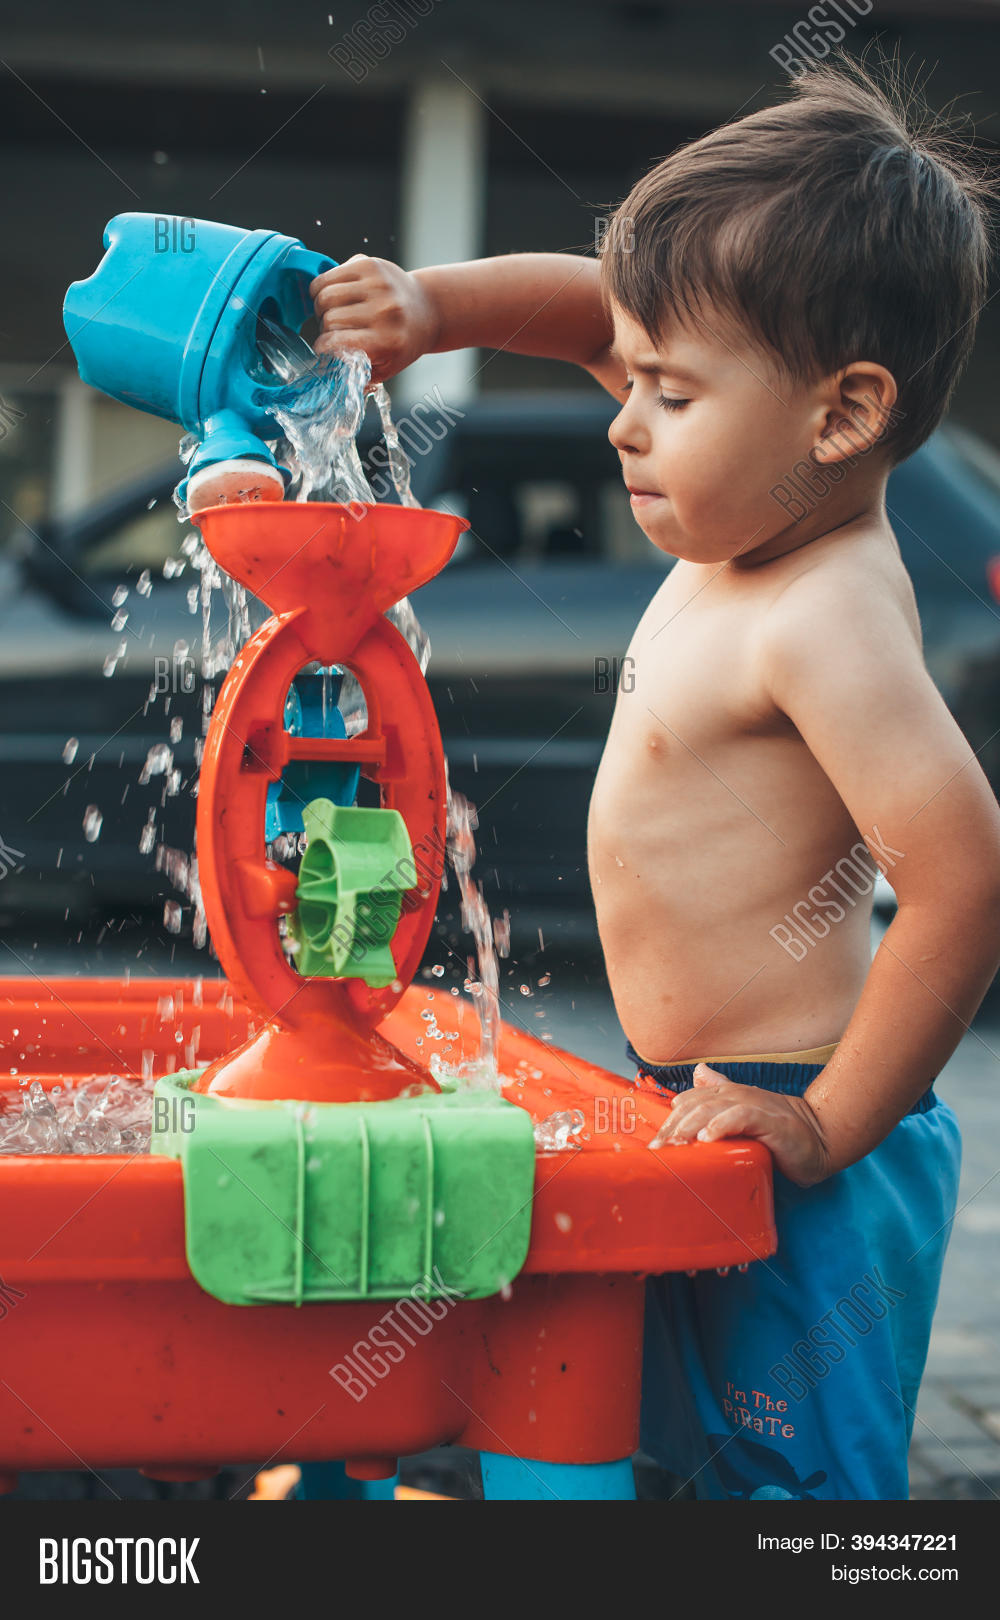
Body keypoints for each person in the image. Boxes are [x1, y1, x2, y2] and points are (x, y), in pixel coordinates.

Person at [311, 60, 1000, 1499]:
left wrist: (829, 1124)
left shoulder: (823, 612)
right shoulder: (746, 528)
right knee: (679, 1459)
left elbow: (964, 874)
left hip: (804, 1137)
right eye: (634, 375)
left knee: (803, 1495)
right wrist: (433, 309)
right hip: (690, 1103)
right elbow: (592, 305)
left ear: (840, 416)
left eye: (669, 393)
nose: (622, 416)